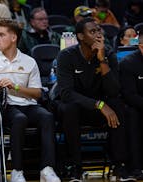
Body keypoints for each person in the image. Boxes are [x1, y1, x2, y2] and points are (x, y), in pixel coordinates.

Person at [0, 19, 61, 182]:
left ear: (13, 38)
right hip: (5, 107)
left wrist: (16, 87)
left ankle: (47, 169)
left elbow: (37, 93)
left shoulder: (29, 61)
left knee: (47, 117)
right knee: (19, 119)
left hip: (28, 104)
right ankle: (16, 170)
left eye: (1, 35)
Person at [56, 17, 128, 181]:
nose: (98, 35)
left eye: (99, 30)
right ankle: (75, 166)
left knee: (117, 104)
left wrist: (102, 60)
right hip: (77, 107)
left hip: (99, 108)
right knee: (69, 109)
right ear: (81, 36)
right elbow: (66, 93)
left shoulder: (108, 53)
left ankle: (119, 165)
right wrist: (99, 104)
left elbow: (114, 90)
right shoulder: (66, 56)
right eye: (92, 31)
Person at [119, 29, 143, 180]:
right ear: (141, 47)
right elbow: (129, 95)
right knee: (132, 113)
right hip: (136, 104)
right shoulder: (128, 63)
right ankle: (136, 167)